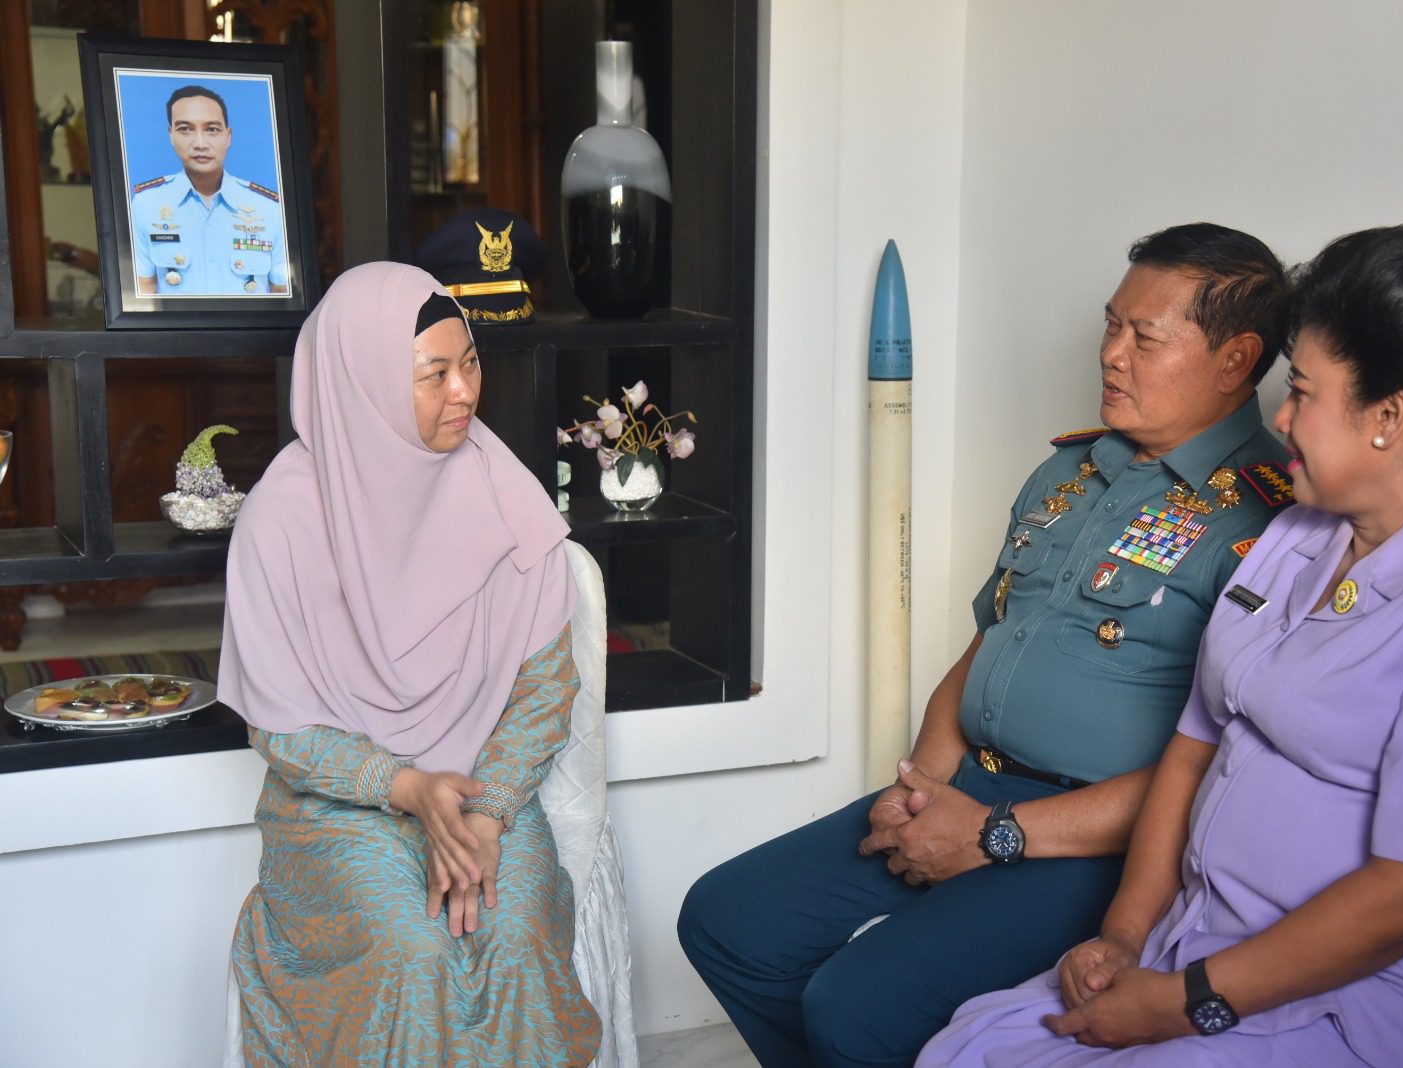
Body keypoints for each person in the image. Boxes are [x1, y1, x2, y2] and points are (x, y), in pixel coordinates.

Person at [919, 221, 1403, 1067]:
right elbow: (1195, 744)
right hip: (1199, 944)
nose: (1279, 417)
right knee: (969, 1047)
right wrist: (1125, 937)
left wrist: (1189, 1001)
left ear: (1388, 417)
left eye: (1303, 392)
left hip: (1394, 1002)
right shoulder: (1300, 533)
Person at [678, 223, 1296, 1067]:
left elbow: (1221, 766)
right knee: (731, 920)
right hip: (967, 783)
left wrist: (996, 832)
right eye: (1110, 325)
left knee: (856, 1002)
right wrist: (921, 786)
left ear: (1235, 361)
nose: (1111, 354)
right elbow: (993, 636)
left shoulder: (1271, 521)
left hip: (1094, 841)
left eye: (1145, 338)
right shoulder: (1070, 471)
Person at [221, 262, 600, 1067]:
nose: (463, 392)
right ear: (363, 384)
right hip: (339, 809)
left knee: (514, 936)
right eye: (434, 374)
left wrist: (486, 814)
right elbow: (279, 729)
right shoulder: (281, 522)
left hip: (483, 791)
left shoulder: (505, 496)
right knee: (410, 948)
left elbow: (543, 689)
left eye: (471, 364)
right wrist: (406, 788)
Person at [130, 85, 287, 296]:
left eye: (212, 129)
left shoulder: (269, 208)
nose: (200, 143)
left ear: (228, 136)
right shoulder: (146, 205)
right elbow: (144, 290)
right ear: (171, 135)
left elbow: (282, 292)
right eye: (185, 129)